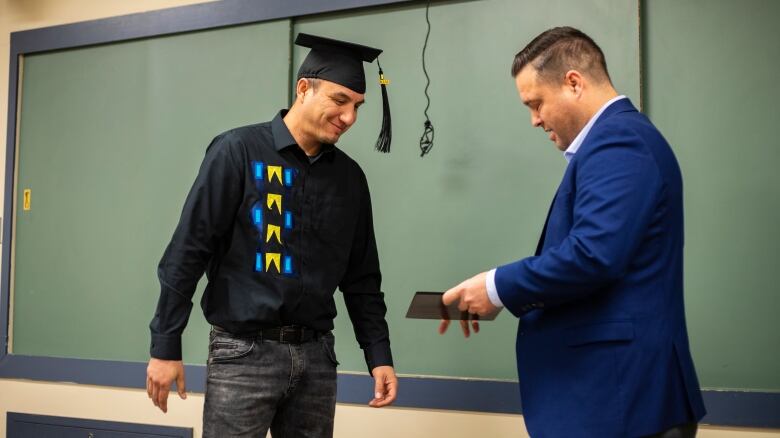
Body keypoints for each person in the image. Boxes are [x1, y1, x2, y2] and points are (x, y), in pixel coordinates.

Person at [441, 27, 706, 437]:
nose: (534, 120)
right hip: (615, 399)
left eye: (536, 103)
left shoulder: (619, 141)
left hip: (622, 400)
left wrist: (495, 287)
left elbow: (592, 256)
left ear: (574, 83)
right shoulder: (620, 140)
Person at [146, 33, 398, 437]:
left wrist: (378, 353)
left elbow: (362, 277)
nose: (349, 117)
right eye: (339, 100)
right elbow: (188, 250)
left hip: (317, 360)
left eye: (357, 106)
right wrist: (164, 344)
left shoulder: (350, 179)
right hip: (243, 355)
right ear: (304, 88)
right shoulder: (238, 151)